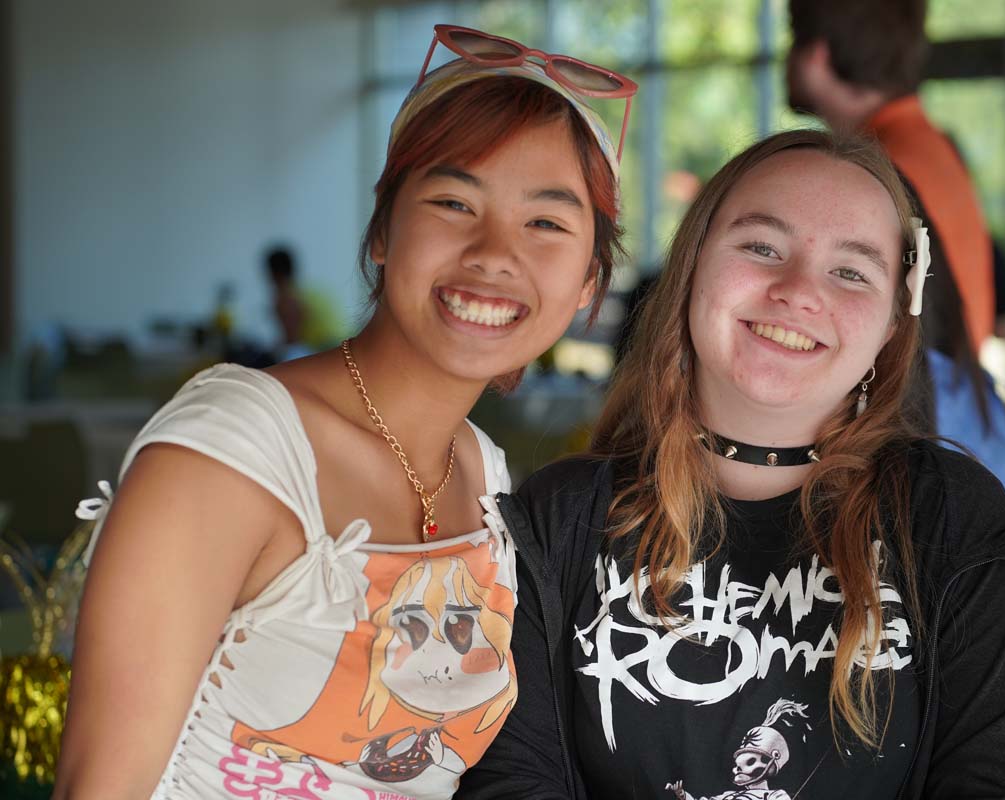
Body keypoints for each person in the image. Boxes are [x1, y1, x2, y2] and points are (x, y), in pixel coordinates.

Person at [55, 24, 634, 800]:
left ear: (590, 284)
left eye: (546, 223)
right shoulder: (239, 451)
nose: (495, 252)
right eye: (455, 201)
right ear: (383, 232)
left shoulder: (482, 472)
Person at [458, 130, 1005, 799]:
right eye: (762, 247)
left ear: (893, 323)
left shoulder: (955, 524)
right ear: (691, 268)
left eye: (851, 271)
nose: (799, 290)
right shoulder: (558, 520)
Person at [785, 0, 1005, 508]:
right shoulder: (932, 147)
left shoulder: (875, 175)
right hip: (953, 425)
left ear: (814, 56)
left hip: (911, 443)